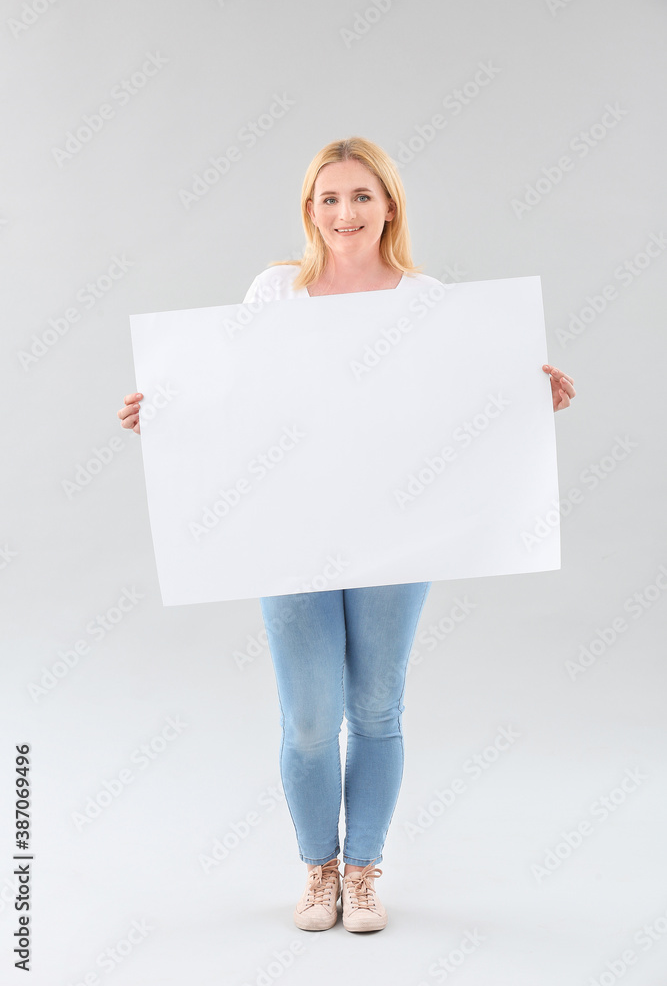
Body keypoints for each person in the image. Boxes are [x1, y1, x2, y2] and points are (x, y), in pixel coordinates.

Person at [117, 136, 576, 933]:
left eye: (361, 195)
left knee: (374, 708)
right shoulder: (275, 292)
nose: (344, 212)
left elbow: (458, 410)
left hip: (394, 532)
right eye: (328, 198)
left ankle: (362, 872)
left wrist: (527, 401)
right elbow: (234, 400)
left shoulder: (425, 299)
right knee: (307, 717)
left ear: (388, 204)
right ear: (309, 209)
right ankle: (317, 870)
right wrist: (163, 415)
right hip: (287, 531)